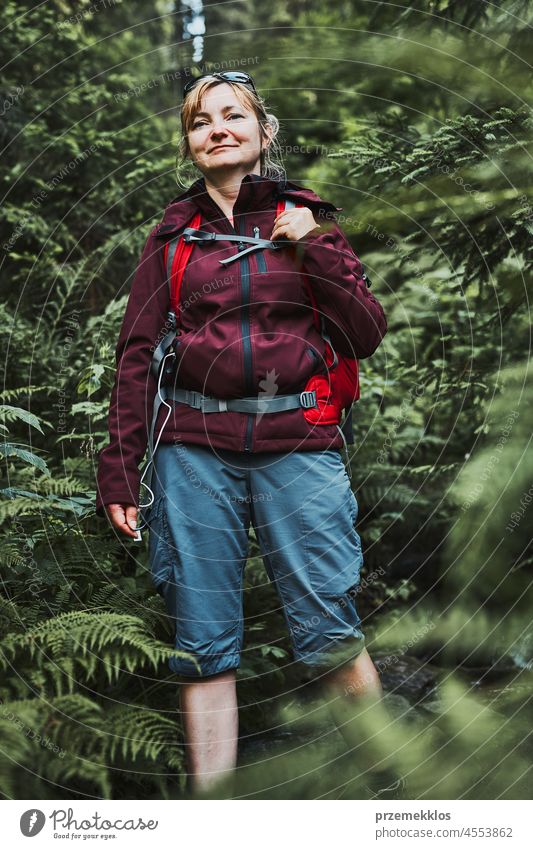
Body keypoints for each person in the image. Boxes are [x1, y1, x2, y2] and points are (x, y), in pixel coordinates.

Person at [95, 70, 393, 797]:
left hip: (300, 441)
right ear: (191, 145)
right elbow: (136, 354)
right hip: (192, 450)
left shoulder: (308, 218)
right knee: (202, 645)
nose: (217, 129)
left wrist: (314, 244)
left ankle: (392, 791)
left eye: (233, 116)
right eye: (201, 121)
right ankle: (213, 815)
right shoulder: (171, 237)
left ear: (263, 133)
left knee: (328, 628)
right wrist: (121, 466)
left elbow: (365, 332)